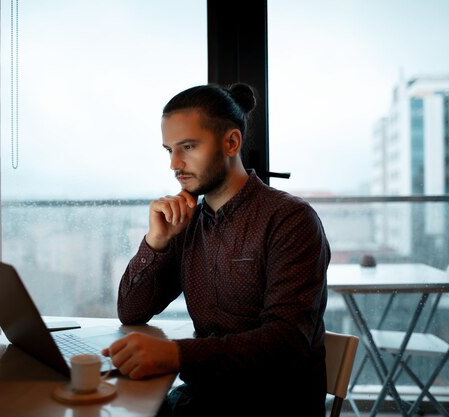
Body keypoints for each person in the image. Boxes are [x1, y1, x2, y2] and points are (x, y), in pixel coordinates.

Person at [101, 82, 330, 416]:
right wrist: (156, 242)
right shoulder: (186, 221)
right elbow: (131, 311)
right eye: (169, 150)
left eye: (188, 147)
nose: (174, 164)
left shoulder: (291, 220)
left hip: (274, 405)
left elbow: (286, 344)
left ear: (231, 142)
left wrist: (175, 354)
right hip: (204, 396)